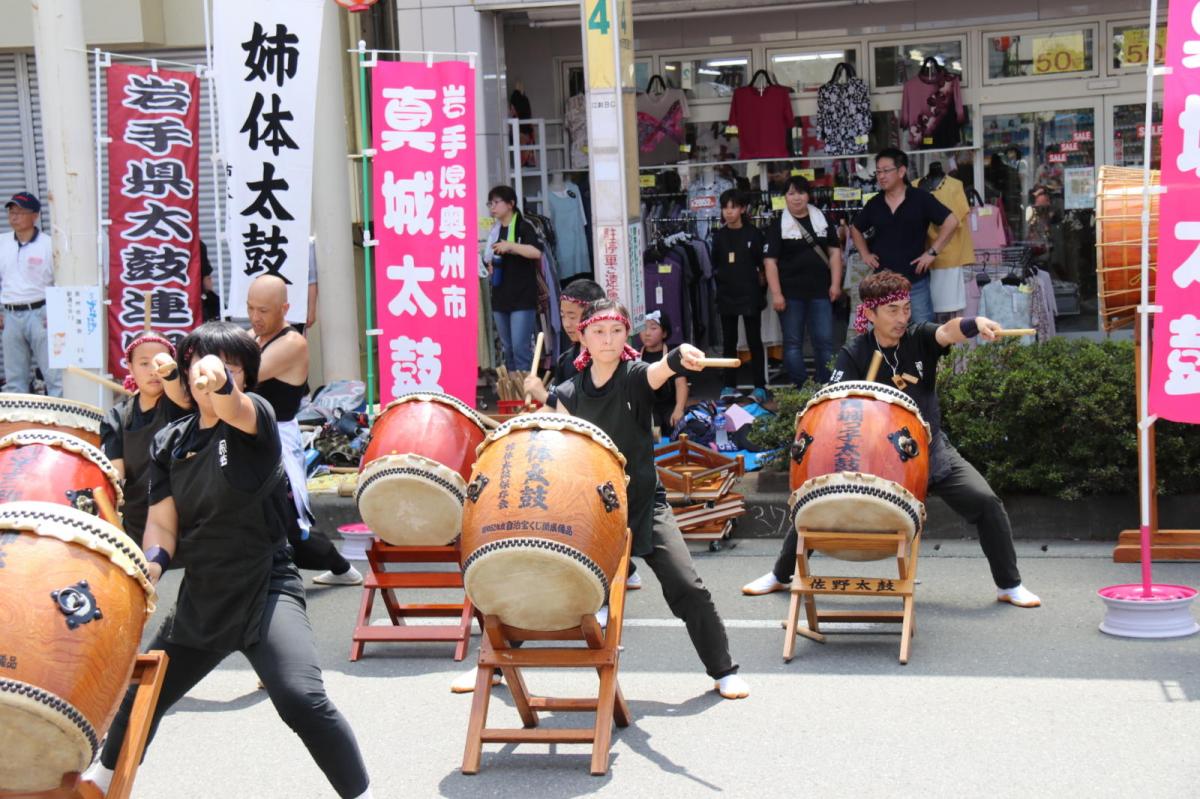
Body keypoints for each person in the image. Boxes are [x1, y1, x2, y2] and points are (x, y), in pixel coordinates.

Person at [82, 322, 373, 798]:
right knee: (142, 697)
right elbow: (162, 523)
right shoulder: (170, 441)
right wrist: (151, 566)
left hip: (266, 587)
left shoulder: (253, 418)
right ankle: (101, 781)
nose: (212, 372)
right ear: (186, 366)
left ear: (244, 377)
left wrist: (220, 379)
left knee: (301, 698)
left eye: (232, 365)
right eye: (202, 360)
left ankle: (360, 793)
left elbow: (232, 403)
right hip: (203, 594)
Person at [742, 272, 1041, 609]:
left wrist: (976, 323)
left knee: (986, 502)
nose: (902, 318)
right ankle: (781, 575)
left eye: (905, 308)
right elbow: (834, 407)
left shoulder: (920, 338)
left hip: (927, 451)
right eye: (892, 311)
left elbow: (947, 331)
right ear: (869, 314)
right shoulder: (855, 353)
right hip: (874, 458)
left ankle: (1009, 584)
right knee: (817, 500)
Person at [556, 299, 749, 699]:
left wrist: (679, 356)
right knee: (541, 579)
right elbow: (559, 452)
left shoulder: (636, 376)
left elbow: (665, 369)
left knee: (687, 585)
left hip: (645, 502)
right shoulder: (567, 393)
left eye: (615, 331)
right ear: (582, 337)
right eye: (597, 332)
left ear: (626, 334)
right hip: (592, 511)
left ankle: (722, 669)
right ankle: (496, 668)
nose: (607, 340)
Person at [247, 275, 362, 587]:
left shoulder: (292, 343)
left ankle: (340, 567)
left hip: (277, 439)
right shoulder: (253, 337)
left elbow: (245, 375)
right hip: (250, 435)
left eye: (263, 311)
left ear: (284, 308)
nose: (255, 318)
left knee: (287, 517)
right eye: (251, 309)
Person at [99, 333, 192, 547]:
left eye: (159, 362)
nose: (153, 371)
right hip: (135, 525)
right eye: (143, 363)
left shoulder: (183, 406)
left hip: (184, 525)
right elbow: (116, 476)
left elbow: (182, 397)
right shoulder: (117, 417)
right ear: (129, 367)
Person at [850, 148, 959, 324]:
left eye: (886, 171)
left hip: (915, 281)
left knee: (922, 332)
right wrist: (865, 254)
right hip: (883, 284)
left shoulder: (920, 198)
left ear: (901, 171)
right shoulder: (875, 203)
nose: (881, 176)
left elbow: (951, 221)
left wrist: (932, 253)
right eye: (878, 172)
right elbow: (855, 228)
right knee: (885, 335)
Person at [764, 176, 843, 387]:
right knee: (792, 344)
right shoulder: (776, 225)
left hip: (821, 292)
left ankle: (826, 385)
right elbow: (770, 262)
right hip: (790, 295)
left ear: (808, 195)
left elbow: (835, 254)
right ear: (784, 198)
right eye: (791, 193)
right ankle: (801, 388)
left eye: (800, 193)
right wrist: (777, 294)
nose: (796, 198)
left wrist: (835, 284)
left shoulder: (823, 220)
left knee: (825, 343)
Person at [0, 192, 61, 396]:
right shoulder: (2, 243)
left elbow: (60, 282)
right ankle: (20, 422)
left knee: (53, 375)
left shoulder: (48, 244)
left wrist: (55, 314)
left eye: (20, 212)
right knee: (15, 377)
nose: (14, 216)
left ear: (34, 215)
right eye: (11, 211)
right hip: (10, 315)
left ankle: (58, 422)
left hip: (41, 313)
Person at [711, 189, 768, 403]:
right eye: (725, 207)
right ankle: (728, 386)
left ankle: (760, 386)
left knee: (754, 340)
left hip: (750, 294)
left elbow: (761, 264)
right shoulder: (719, 236)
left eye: (733, 207)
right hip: (726, 294)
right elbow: (715, 263)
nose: (728, 212)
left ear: (743, 209)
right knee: (729, 341)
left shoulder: (754, 234)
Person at [484, 185, 543, 372]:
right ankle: (512, 396)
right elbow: (489, 257)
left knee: (520, 349)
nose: (492, 207)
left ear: (511, 204)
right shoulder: (494, 230)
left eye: (496, 202)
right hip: (501, 297)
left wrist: (511, 246)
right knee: (508, 350)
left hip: (522, 297)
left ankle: (525, 395)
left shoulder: (523, 227)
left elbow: (536, 253)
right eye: (490, 203)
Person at [523, 278, 605, 407]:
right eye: (562, 316)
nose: (566, 324)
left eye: (572, 317)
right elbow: (557, 403)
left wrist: (543, 396)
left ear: (594, 315)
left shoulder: (606, 359)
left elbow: (586, 408)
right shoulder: (565, 359)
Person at [638, 310, 688, 436]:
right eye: (643, 328)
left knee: (678, 427)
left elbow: (681, 384)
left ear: (664, 333)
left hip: (669, 406)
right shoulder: (635, 356)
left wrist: (679, 409)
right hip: (647, 407)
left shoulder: (673, 355)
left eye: (653, 328)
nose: (647, 333)